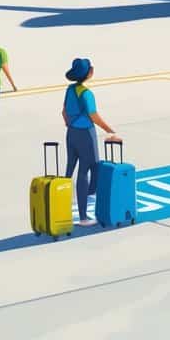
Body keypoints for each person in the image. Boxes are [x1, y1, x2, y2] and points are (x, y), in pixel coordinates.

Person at [62, 58, 120, 226]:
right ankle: (83, 216)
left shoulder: (70, 89)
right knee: (88, 169)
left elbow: (64, 111)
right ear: (87, 74)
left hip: (71, 133)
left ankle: (64, 206)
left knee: (70, 169)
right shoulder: (87, 94)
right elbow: (93, 116)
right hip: (85, 133)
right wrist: (109, 129)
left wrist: (69, 123)